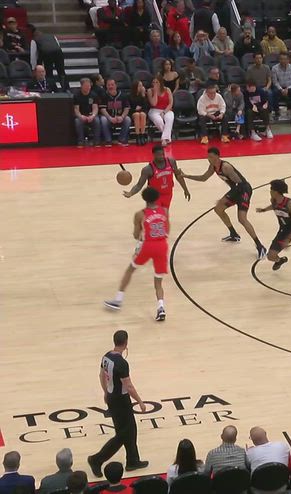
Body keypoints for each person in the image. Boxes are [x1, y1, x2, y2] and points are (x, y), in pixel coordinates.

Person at [181, 147, 266, 257]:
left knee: (242, 219)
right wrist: (186, 176)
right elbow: (203, 178)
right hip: (236, 190)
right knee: (218, 209)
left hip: (244, 190)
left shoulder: (226, 167)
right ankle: (234, 234)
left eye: (211, 157)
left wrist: (224, 199)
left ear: (217, 156)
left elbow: (240, 185)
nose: (209, 159)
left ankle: (260, 246)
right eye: (208, 157)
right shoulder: (213, 166)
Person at [87, 330, 149, 477]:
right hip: (121, 400)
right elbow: (128, 386)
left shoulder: (106, 357)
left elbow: (101, 376)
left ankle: (133, 460)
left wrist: (105, 392)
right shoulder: (122, 363)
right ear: (126, 342)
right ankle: (96, 459)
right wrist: (140, 401)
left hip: (111, 397)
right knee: (124, 434)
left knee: (130, 430)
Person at [103, 188, 171, 319]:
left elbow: (136, 235)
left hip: (148, 245)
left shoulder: (140, 214)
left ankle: (118, 300)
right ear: (157, 198)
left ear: (144, 198)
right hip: (162, 245)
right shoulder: (164, 211)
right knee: (158, 281)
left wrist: (140, 235)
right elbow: (167, 229)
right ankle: (161, 308)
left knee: (130, 270)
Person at [124, 145, 190, 209]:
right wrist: (131, 193)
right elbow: (139, 185)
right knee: (157, 214)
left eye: (163, 154)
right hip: (154, 196)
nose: (162, 156)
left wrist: (185, 189)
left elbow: (178, 176)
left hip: (168, 194)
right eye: (159, 155)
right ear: (154, 155)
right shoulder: (147, 169)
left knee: (164, 214)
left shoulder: (171, 162)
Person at [29, 26, 67, 91]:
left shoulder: (34, 40)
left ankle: (51, 88)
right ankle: (65, 88)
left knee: (49, 73)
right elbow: (58, 46)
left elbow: (33, 55)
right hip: (58, 52)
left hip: (46, 53)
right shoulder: (52, 36)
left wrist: (33, 68)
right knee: (61, 72)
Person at [101, 78, 131, 146]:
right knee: (103, 119)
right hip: (109, 117)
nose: (110, 86)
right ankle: (108, 140)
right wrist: (110, 118)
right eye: (108, 85)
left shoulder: (123, 95)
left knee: (127, 119)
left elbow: (127, 108)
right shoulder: (103, 95)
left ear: (116, 85)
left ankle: (122, 139)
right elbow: (103, 109)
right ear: (106, 86)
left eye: (112, 85)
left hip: (120, 117)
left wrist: (122, 117)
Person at [73, 77, 102, 147]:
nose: (88, 87)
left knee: (97, 121)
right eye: (86, 86)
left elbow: (95, 108)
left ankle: (96, 141)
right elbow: (76, 109)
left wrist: (93, 115)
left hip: (91, 115)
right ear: (81, 86)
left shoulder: (93, 95)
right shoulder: (77, 95)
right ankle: (80, 141)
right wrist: (81, 116)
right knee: (77, 121)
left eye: (89, 86)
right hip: (81, 115)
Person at [147, 77, 175, 146]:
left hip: (167, 109)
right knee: (159, 121)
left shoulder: (167, 89)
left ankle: (164, 139)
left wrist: (164, 112)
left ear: (161, 83)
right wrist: (155, 92)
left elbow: (170, 103)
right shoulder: (150, 91)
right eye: (153, 82)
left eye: (157, 82)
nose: (155, 84)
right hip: (154, 110)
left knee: (169, 118)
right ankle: (166, 138)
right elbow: (154, 104)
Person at [272, 52, 291, 120]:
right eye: (281, 59)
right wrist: (281, 89)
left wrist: (287, 88)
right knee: (274, 92)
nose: (283, 61)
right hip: (279, 87)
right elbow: (275, 82)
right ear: (279, 60)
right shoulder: (274, 68)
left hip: (290, 87)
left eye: (285, 59)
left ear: (288, 60)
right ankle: (276, 111)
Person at [129, 80, 150, 146]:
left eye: (142, 85)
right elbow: (128, 108)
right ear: (135, 87)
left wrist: (143, 95)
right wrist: (135, 109)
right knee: (137, 115)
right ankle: (137, 136)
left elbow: (146, 107)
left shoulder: (143, 95)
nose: (142, 87)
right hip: (133, 112)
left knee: (143, 114)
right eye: (140, 86)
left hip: (142, 112)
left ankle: (142, 135)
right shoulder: (130, 96)